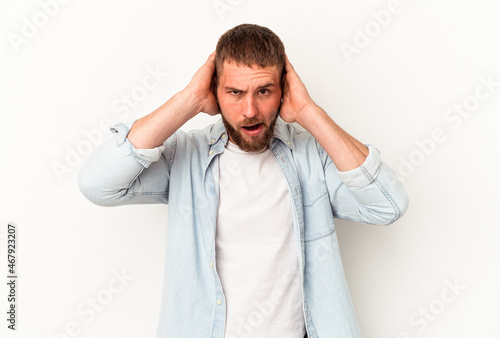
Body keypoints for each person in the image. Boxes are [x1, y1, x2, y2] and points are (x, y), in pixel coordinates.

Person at [78, 23, 409, 338]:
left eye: (263, 91)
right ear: (215, 93)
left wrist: (309, 112)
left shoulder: (312, 159)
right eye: (234, 92)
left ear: (284, 90)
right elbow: (98, 184)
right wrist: (189, 100)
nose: (250, 109)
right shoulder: (186, 158)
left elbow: (388, 206)